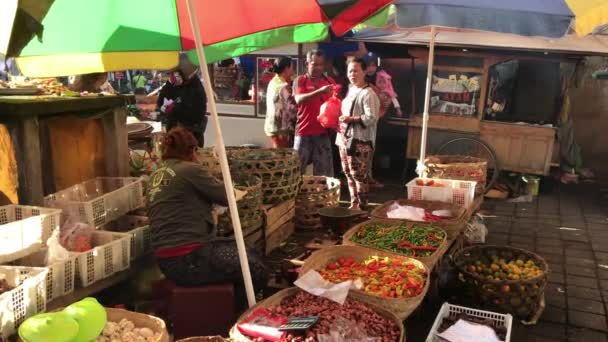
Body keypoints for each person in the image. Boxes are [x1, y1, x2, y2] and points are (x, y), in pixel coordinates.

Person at [147, 127, 268, 307]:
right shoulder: (190, 169)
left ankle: (231, 304)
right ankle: (236, 315)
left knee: (248, 251)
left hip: (167, 261)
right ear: (193, 150)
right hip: (188, 259)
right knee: (255, 269)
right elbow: (227, 195)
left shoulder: (157, 173)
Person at [337, 58, 380, 210]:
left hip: (360, 141)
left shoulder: (368, 93)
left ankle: (362, 206)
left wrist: (351, 119)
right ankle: (353, 203)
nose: (352, 74)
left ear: (364, 72)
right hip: (344, 139)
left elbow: (372, 117)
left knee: (359, 175)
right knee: (348, 173)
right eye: (350, 71)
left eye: (356, 70)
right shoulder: (350, 89)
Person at [293, 50, 335, 176]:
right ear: (307, 63)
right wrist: (320, 92)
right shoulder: (300, 80)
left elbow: (336, 105)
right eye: (314, 64)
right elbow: (298, 99)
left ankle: (322, 195)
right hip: (303, 132)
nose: (318, 68)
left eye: (321, 65)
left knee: (324, 175)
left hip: (323, 133)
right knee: (296, 172)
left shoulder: (329, 82)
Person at [156, 55, 208, 147]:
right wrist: (169, 84)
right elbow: (160, 102)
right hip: (173, 134)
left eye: (176, 73)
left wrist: (174, 109)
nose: (173, 76)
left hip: (190, 138)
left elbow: (196, 116)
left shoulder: (196, 90)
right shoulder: (173, 84)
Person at [264, 57, 297, 148]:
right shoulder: (284, 86)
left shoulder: (273, 81)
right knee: (282, 156)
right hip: (280, 128)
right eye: (291, 67)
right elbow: (292, 107)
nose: (293, 70)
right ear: (286, 68)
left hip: (271, 125)